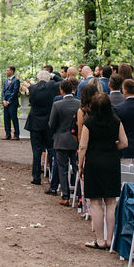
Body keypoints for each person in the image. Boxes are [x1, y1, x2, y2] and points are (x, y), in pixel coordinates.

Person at [79, 92, 128, 249]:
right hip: (112, 162)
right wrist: (112, 146)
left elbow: (83, 146)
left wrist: (80, 165)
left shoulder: (89, 122)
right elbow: (124, 142)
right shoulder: (116, 121)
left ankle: (99, 240)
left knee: (95, 202)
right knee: (111, 202)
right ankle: (110, 240)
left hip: (94, 162)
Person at [48, 78, 80, 206]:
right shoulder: (79, 103)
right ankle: (79, 195)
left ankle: (65, 196)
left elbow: (51, 124)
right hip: (76, 140)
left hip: (61, 140)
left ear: (61, 90)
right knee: (77, 168)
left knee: (63, 168)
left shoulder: (57, 105)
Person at [26, 70, 59, 187]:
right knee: (50, 149)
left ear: (38, 79)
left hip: (35, 123)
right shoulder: (52, 87)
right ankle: (52, 176)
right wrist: (53, 76)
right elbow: (62, 81)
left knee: (36, 150)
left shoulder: (32, 88)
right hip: (48, 123)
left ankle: (36, 177)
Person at [1, 66, 21, 140]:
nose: (6, 72)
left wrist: (8, 101)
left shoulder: (16, 80)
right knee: (6, 119)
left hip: (12, 102)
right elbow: (3, 91)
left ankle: (16, 135)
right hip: (5, 102)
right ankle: (7, 134)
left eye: (8, 70)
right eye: (6, 70)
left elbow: (15, 92)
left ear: (12, 71)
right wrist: (3, 100)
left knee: (14, 118)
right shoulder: (6, 81)